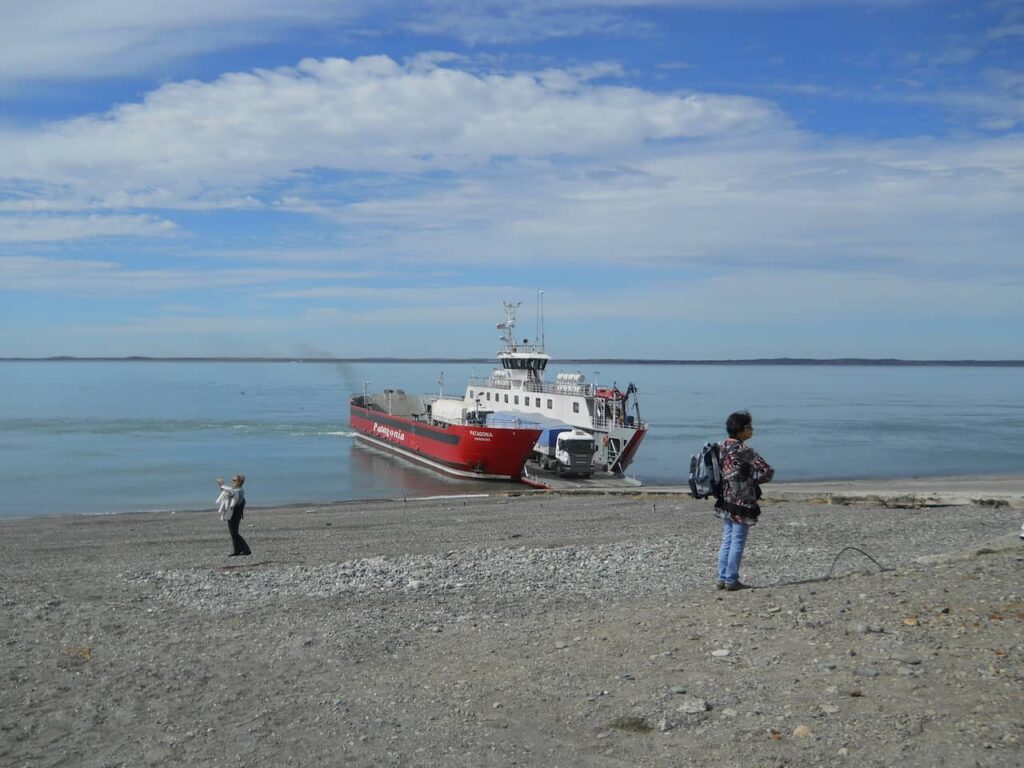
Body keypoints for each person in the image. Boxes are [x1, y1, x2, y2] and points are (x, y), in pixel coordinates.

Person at [715, 411, 773, 591]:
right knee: (737, 541)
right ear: (740, 430)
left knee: (727, 539)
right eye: (749, 426)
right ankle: (732, 580)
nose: (752, 430)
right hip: (743, 502)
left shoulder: (721, 446)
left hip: (725, 498)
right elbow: (767, 471)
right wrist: (755, 482)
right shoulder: (745, 450)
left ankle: (721, 577)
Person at [217, 474, 251, 557]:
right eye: (233, 480)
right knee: (234, 533)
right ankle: (237, 550)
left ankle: (246, 549)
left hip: (234, 514)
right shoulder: (237, 490)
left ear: (239, 481)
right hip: (234, 513)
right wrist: (223, 488)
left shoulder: (239, 491)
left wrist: (222, 485)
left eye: (234, 480)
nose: (232, 481)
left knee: (234, 533)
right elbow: (228, 494)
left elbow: (231, 492)